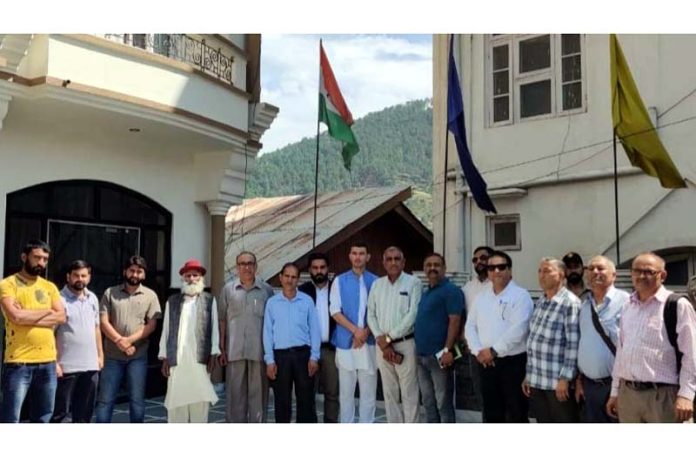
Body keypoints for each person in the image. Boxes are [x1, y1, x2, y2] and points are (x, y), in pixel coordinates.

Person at [606, 252, 696, 423]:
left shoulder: (677, 305)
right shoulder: (628, 306)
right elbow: (621, 352)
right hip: (629, 395)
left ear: (662, 275)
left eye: (648, 272)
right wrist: (615, 391)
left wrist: (686, 395)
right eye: (636, 271)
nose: (641, 276)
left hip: (663, 397)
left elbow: (692, 354)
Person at [0, 240, 66, 423]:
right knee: (11, 418)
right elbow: (16, 318)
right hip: (19, 362)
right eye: (37, 257)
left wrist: (27, 314)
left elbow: (61, 317)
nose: (41, 263)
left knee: (43, 417)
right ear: (24, 257)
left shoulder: (49, 287)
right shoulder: (8, 284)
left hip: (48, 362)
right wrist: (47, 311)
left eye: (45, 259)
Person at [465, 250, 532, 422]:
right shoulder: (481, 297)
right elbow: (470, 326)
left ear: (510, 270)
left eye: (501, 267)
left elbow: (519, 329)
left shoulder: (521, 296)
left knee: (516, 413)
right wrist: (478, 351)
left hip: (512, 364)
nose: (496, 271)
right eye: (491, 268)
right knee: (492, 413)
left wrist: (493, 351)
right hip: (485, 363)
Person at [95, 255, 161, 423]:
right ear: (125, 271)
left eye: (139, 272)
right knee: (105, 400)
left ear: (144, 275)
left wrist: (129, 341)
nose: (135, 275)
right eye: (132, 270)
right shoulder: (110, 293)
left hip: (137, 356)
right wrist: (120, 342)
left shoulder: (150, 295)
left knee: (137, 400)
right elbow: (103, 322)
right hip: (112, 357)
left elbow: (151, 325)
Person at [158, 259, 220, 423]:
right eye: (188, 275)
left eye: (195, 275)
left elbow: (214, 328)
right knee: (177, 407)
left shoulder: (209, 300)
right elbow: (166, 330)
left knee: (199, 405)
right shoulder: (172, 301)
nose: (192, 278)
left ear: (201, 278)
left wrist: (214, 353)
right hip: (177, 361)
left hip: (200, 360)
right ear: (183, 278)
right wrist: (164, 357)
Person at [367, 246, 422, 423]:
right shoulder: (377, 284)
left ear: (403, 262)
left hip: (405, 344)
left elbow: (413, 314)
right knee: (389, 392)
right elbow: (371, 314)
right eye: (389, 259)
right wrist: (380, 339)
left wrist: (389, 337)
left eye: (397, 258)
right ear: (383, 262)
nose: (393, 262)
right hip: (382, 347)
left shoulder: (413, 283)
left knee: (409, 392)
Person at [218, 251, 274, 422]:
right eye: (242, 264)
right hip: (234, 352)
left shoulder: (267, 290)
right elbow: (222, 320)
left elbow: (272, 322)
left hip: (259, 353)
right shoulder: (228, 290)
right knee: (235, 398)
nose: (246, 267)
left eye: (250, 263)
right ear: (237, 267)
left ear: (256, 266)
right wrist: (222, 347)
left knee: (259, 400)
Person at [523, 257, 580, 423]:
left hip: (557, 383)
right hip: (537, 379)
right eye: (540, 271)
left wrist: (565, 378)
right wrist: (528, 375)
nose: (542, 275)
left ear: (561, 275)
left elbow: (573, 344)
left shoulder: (570, 303)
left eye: (547, 271)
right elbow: (534, 340)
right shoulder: (541, 301)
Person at [263, 263, 321, 423]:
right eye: (286, 276)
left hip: (303, 355)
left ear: (298, 280)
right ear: (280, 278)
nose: (290, 280)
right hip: (280, 357)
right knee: (282, 402)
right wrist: (269, 360)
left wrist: (314, 357)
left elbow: (315, 330)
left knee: (306, 401)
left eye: (293, 277)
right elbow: (267, 333)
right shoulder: (272, 303)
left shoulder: (307, 301)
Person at [329, 242, 379, 423]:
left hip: (369, 343)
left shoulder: (376, 281)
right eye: (354, 253)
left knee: (368, 393)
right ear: (350, 256)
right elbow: (334, 310)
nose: (358, 257)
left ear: (368, 257)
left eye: (362, 253)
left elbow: (378, 313)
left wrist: (365, 332)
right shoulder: (339, 281)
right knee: (346, 393)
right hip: (345, 342)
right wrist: (356, 332)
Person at [574, 255, 628, 423]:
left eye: (600, 268)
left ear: (614, 275)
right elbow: (583, 344)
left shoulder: (627, 302)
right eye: (590, 269)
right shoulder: (584, 306)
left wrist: (619, 390)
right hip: (589, 387)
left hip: (617, 385)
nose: (595, 272)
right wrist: (579, 380)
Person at [52, 260, 103, 423]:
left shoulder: (93, 298)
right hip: (66, 367)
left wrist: (100, 356)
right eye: (76, 275)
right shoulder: (58, 299)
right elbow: (50, 332)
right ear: (68, 276)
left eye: (84, 275)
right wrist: (55, 362)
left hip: (90, 366)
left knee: (84, 415)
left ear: (89, 277)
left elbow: (96, 329)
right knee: (60, 414)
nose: (80, 279)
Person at [415, 253, 463, 423]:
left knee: (443, 402)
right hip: (421, 356)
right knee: (428, 402)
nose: (432, 268)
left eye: (436, 265)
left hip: (440, 357)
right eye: (428, 265)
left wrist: (447, 350)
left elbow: (455, 321)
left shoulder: (451, 291)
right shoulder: (426, 292)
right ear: (424, 269)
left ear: (444, 268)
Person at [298, 252, 339, 423]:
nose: (319, 271)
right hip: (308, 351)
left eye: (322, 267)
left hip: (331, 349)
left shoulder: (337, 289)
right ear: (310, 270)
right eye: (315, 268)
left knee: (332, 392)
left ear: (327, 269)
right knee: (307, 392)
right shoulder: (303, 291)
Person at [461, 246, 493, 418]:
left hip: (497, 351)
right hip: (475, 351)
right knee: (481, 395)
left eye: (483, 258)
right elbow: (464, 319)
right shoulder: (467, 288)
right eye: (475, 259)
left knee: (500, 397)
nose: (479, 262)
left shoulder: (498, 285)